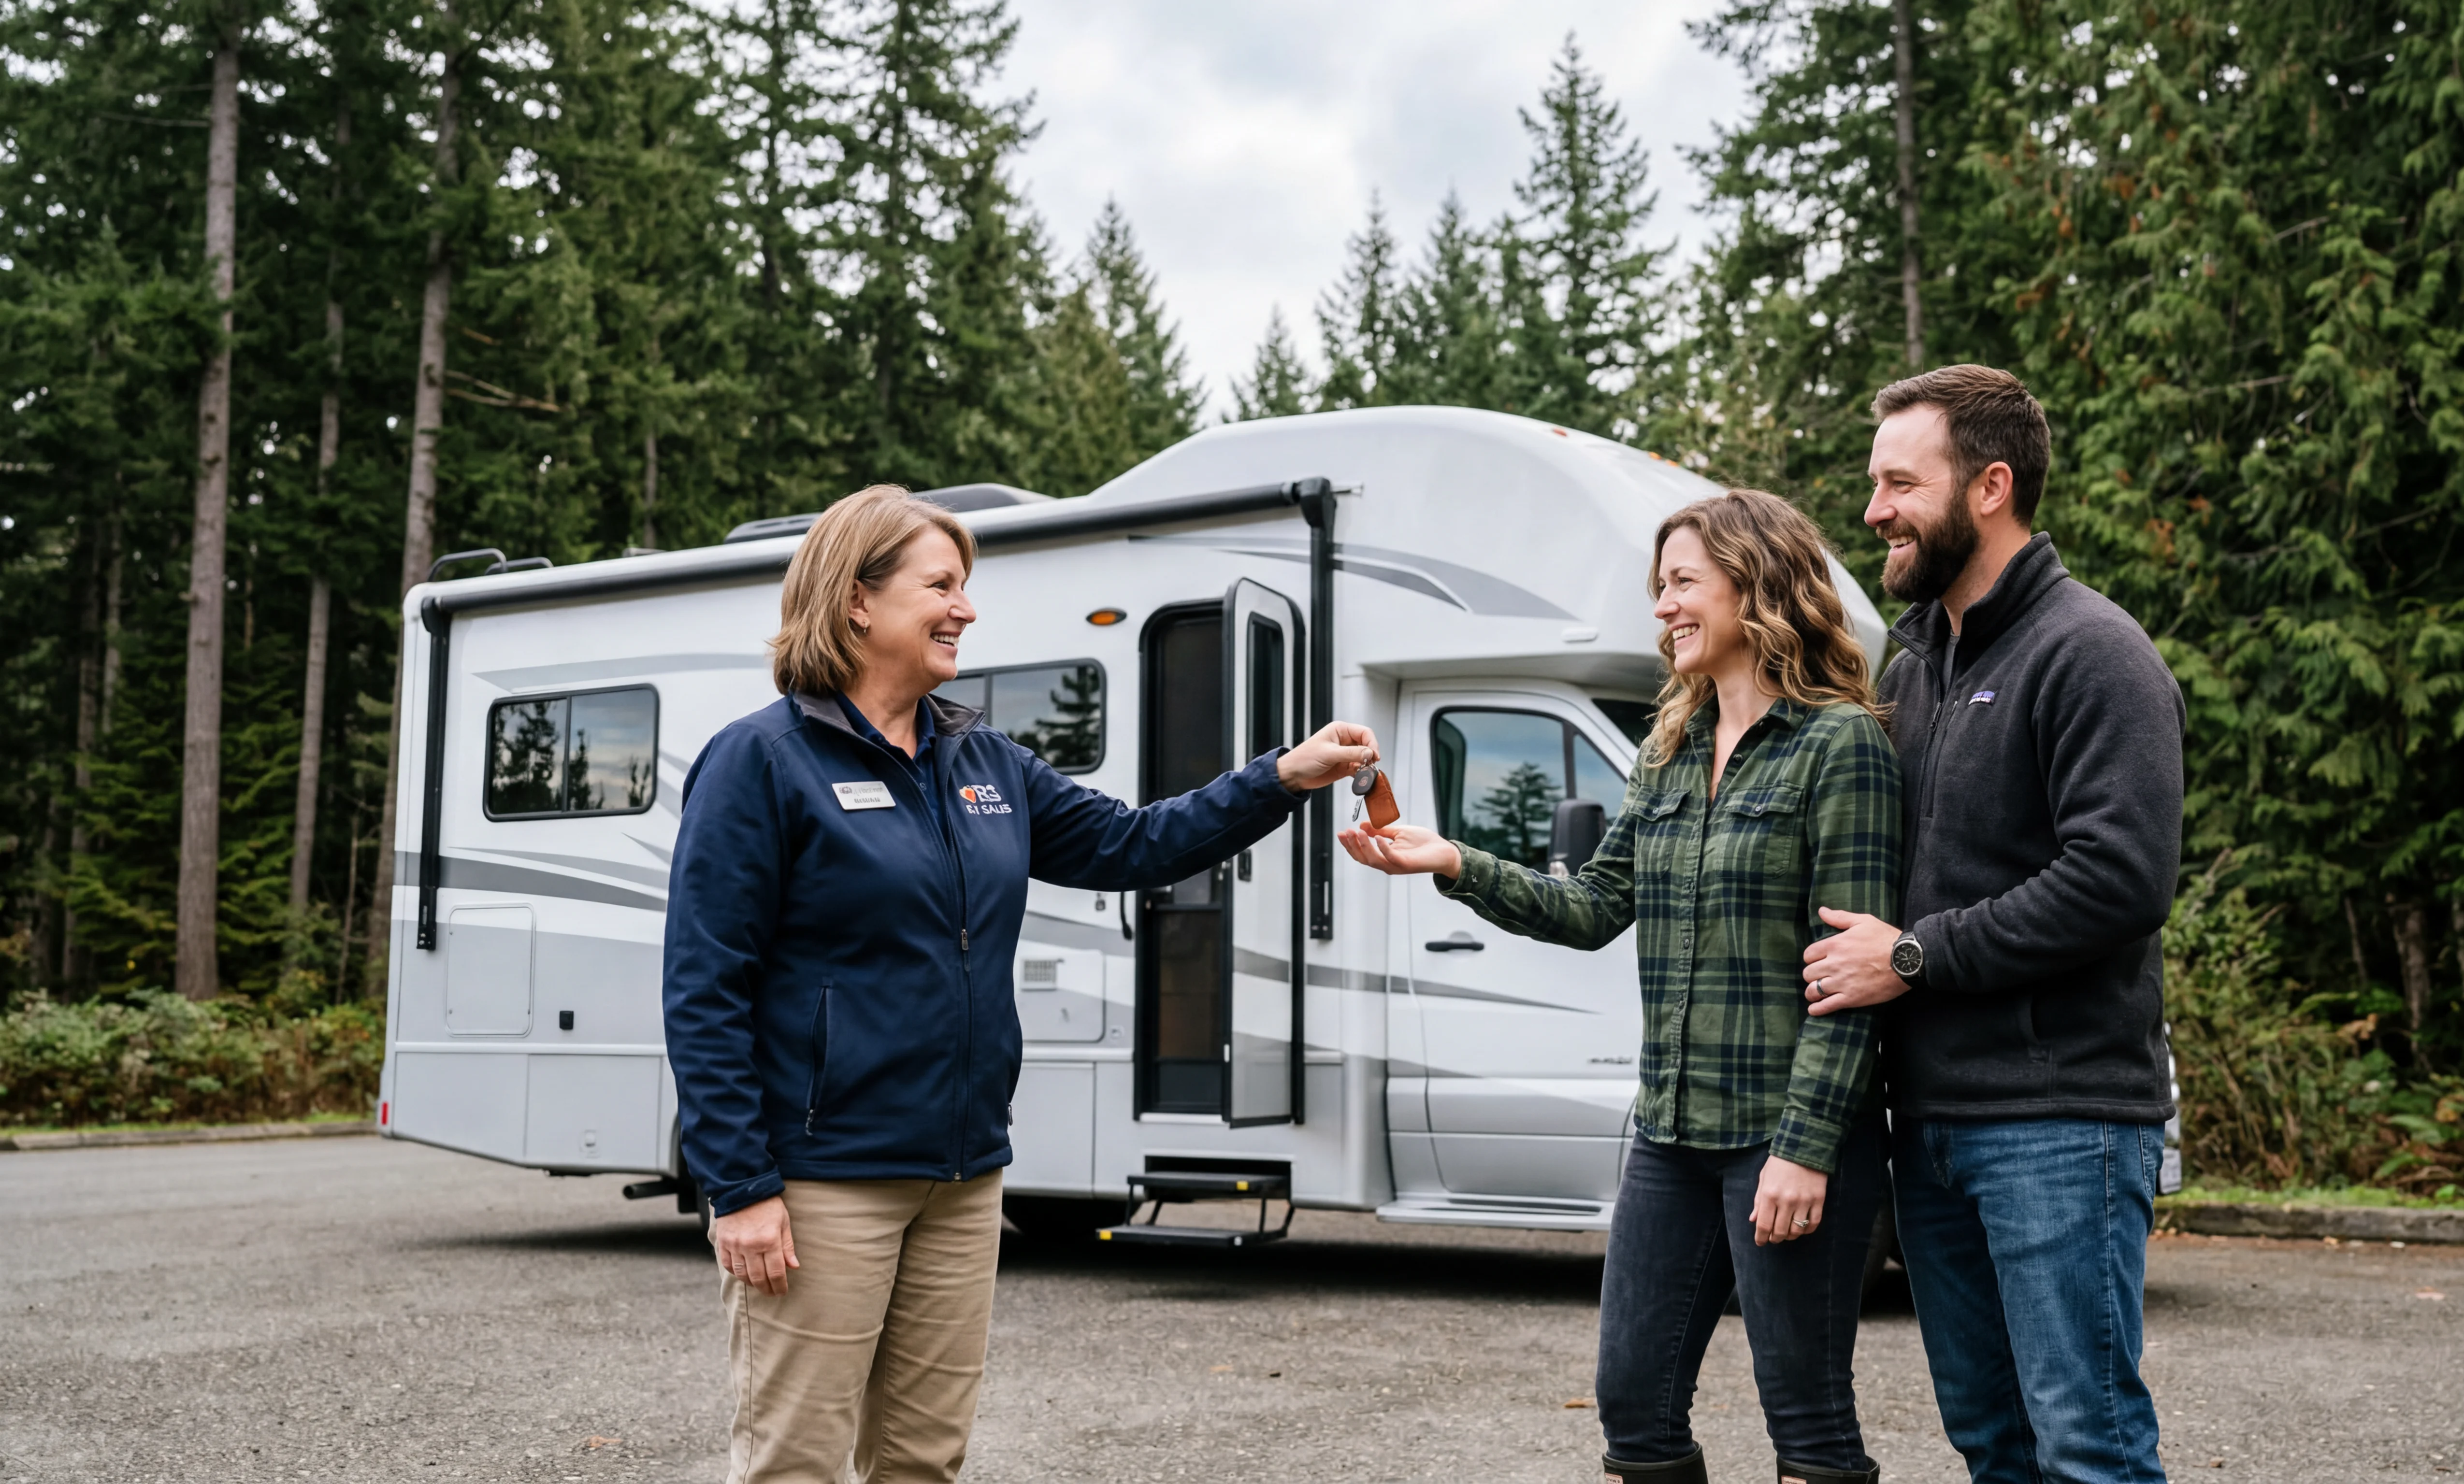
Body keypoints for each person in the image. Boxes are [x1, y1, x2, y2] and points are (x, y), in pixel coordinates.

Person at [663, 486, 1380, 1484]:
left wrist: (1279, 779)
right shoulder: (761, 763)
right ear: (857, 601)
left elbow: (1134, 842)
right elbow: (705, 985)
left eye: (966, 588)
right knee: (797, 1465)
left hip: (962, 1177)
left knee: (924, 1459)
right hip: (824, 1180)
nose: (964, 608)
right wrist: (739, 1187)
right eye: (940, 586)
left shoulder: (981, 758)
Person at [1342, 488, 1903, 1484]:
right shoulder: (1669, 750)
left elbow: (1850, 973)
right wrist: (1450, 862)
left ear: (1756, 584)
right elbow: (1596, 904)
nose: (1664, 608)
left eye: (1683, 583)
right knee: (1632, 1406)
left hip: (1783, 1136)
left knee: (1807, 1421)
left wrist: (1806, 1151)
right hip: (1669, 1134)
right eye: (1659, 589)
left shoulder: (1839, 746)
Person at [1799, 364, 2185, 1484]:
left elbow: (2118, 879)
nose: (1872, 510)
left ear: (1989, 486)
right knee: (1994, 1446)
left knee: (2087, 1446)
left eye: (1896, 483)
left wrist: (1913, 957)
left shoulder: (2092, 652)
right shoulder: (1913, 666)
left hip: (2058, 1120)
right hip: (1930, 1124)